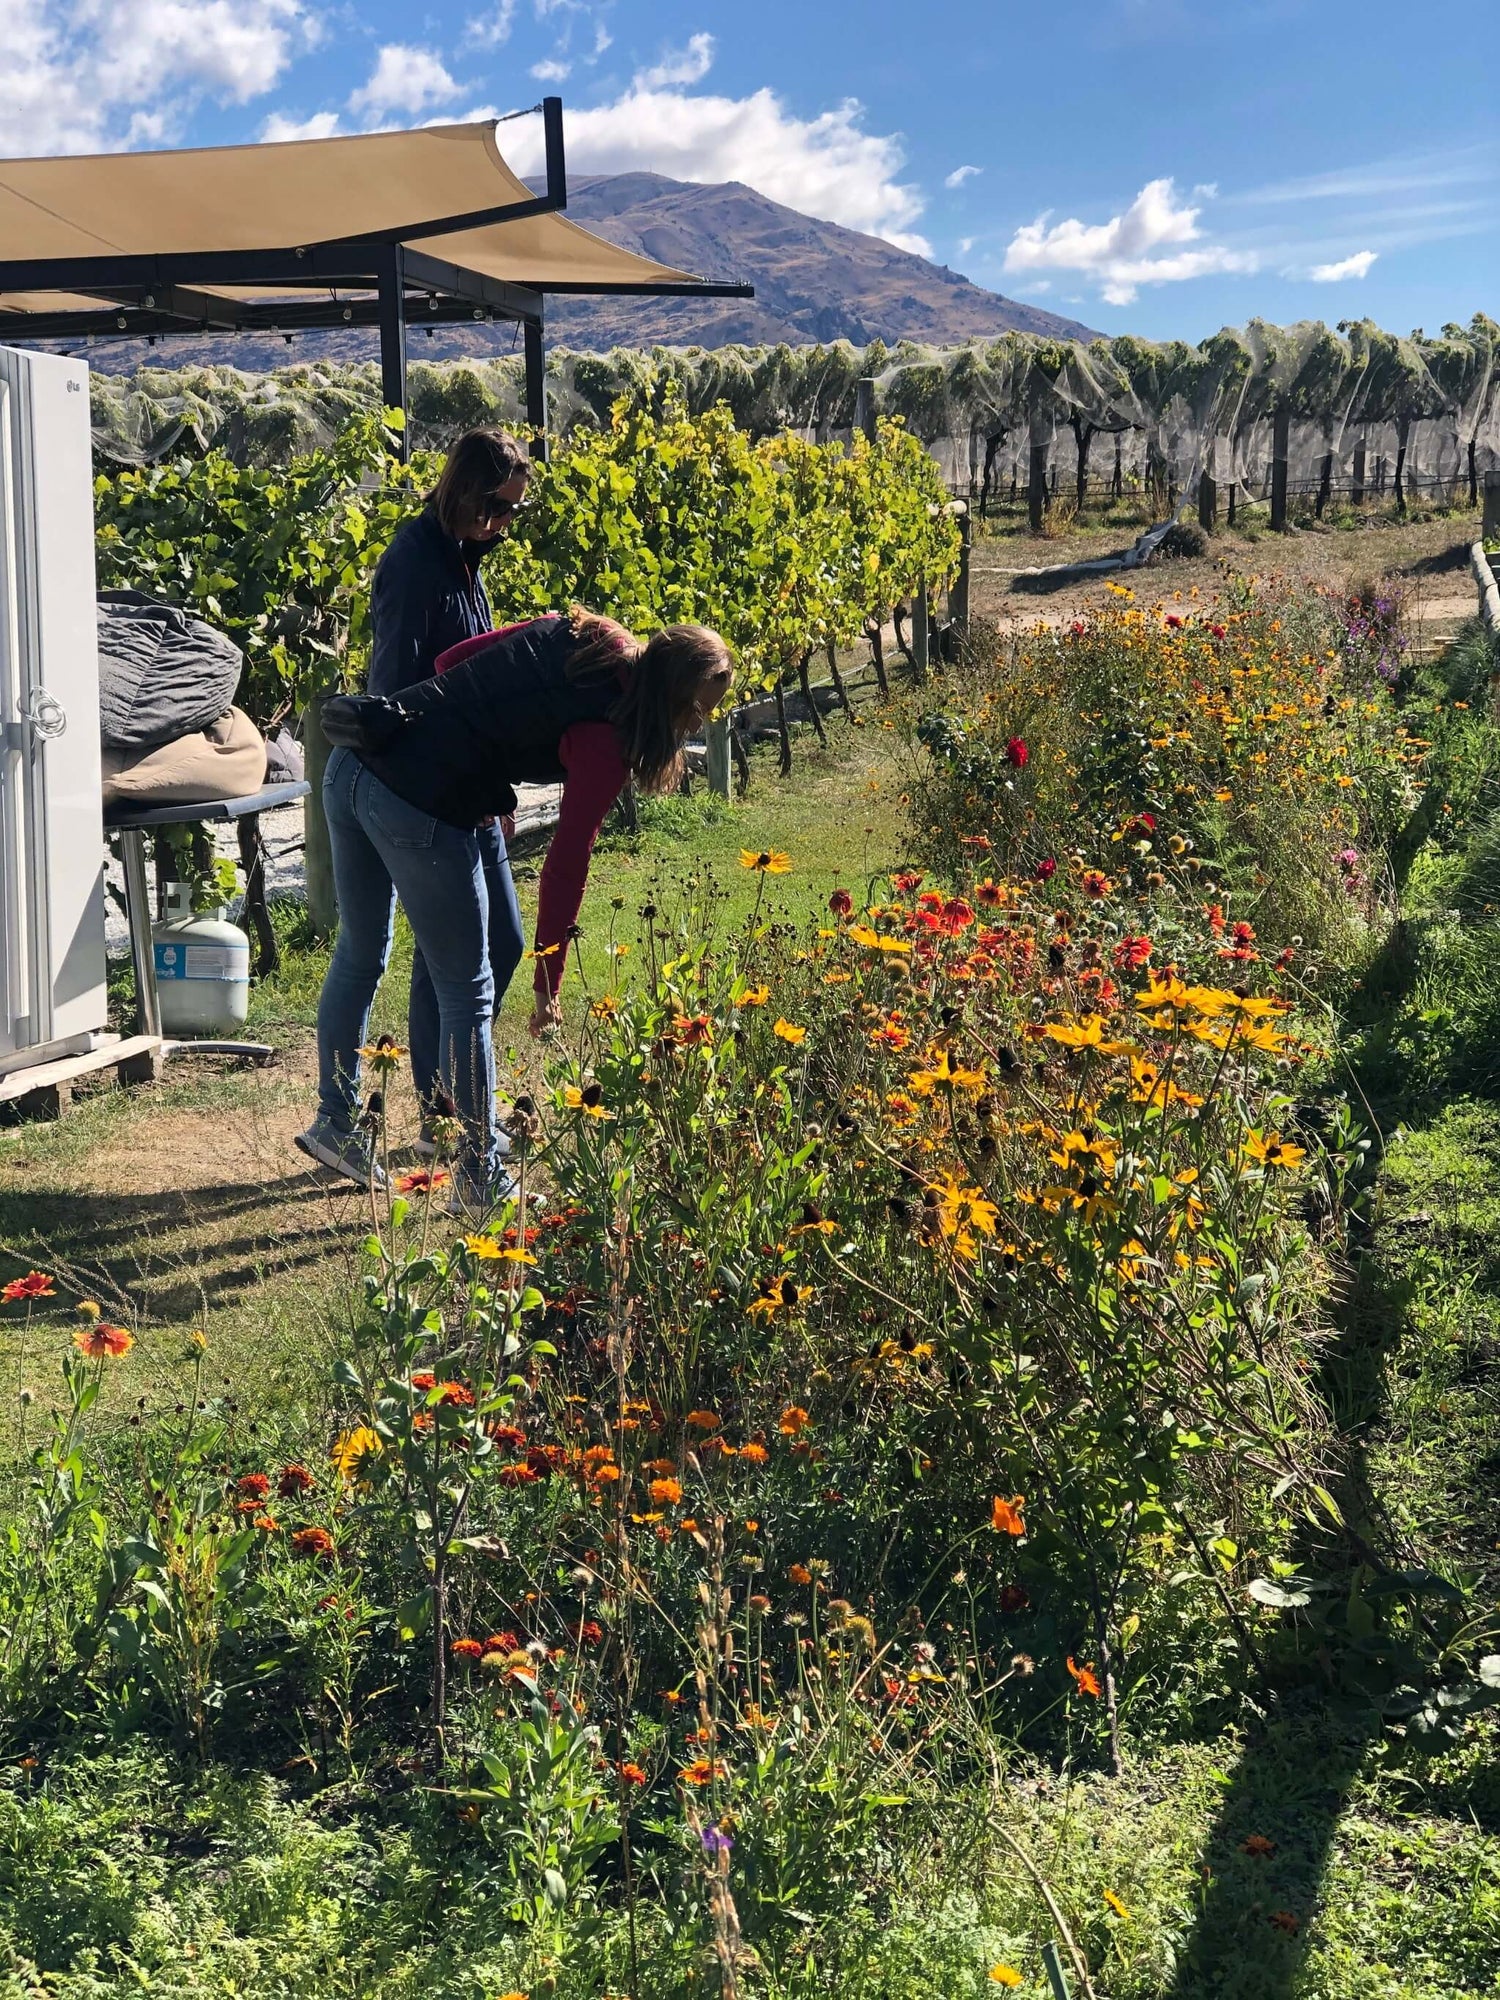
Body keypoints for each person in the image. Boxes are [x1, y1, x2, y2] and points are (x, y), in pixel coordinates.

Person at [296, 610, 732, 1208]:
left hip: (355, 757)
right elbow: (566, 862)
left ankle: (337, 1123)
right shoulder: (606, 739)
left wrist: (485, 745)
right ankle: (478, 1174)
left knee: (359, 952)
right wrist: (548, 982)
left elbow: (454, 663)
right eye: (697, 709)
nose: (697, 723)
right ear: (668, 695)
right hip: (414, 798)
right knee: (467, 990)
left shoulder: (592, 634)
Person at [365, 427, 531, 1143]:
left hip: (473, 787)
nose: (501, 524)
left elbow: (482, 685)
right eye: (495, 507)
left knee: (503, 945)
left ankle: (455, 1092)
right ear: (462, 488)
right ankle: (448, 1110)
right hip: (432, 790)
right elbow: (396, 687)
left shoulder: (468, 558)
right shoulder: (414, 561)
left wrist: (496, 787)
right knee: (455, 957)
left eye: (512, 514)